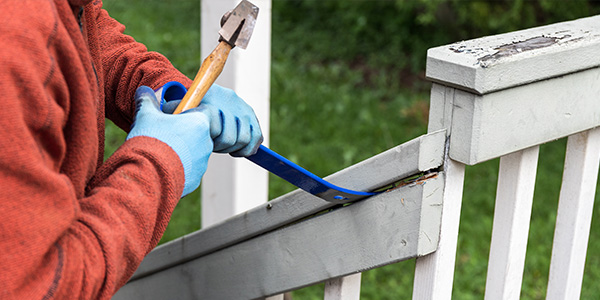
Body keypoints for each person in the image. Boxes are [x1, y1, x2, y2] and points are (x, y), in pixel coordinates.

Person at [0, 0, 262, 299]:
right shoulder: (11, 46)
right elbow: (42, 286)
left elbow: (82, 27)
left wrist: (164, 87)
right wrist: (159, 162)